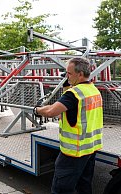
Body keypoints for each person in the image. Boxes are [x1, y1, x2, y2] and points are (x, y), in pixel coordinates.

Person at [34, 57, 103, 194]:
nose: (66, 76)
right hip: (90, 149)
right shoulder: (93, 90)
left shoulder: (74, 94)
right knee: (84, 186)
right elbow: (75, 113)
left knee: (61, 189)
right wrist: (69, 83)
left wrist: (37, 110)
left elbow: (51, 111)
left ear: (80, 74)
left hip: (73, 152)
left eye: (69, 73)